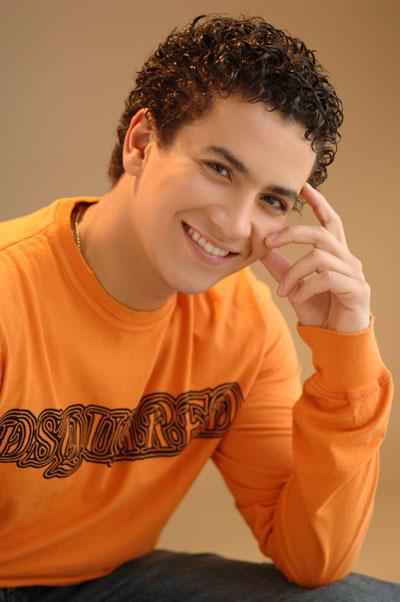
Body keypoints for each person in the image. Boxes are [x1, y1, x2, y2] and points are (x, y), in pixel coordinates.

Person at [0, 13, 397, 601]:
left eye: (272, 200)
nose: (235, 225)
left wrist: (347, 353)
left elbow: (314, 559)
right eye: (219, 169)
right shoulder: (10, 290)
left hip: (111, 583)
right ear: (141, 143)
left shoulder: (244, 325)